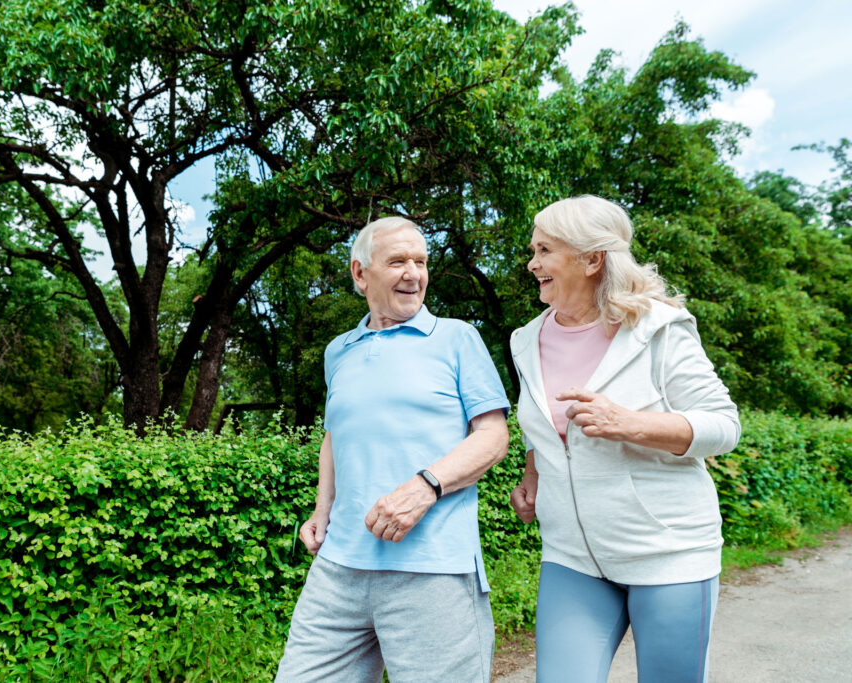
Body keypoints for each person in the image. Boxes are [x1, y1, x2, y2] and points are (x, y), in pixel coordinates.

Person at [508, 195, 740, 683]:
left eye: (545, 250)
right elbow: (544, 425)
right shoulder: (525, 339)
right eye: (533, 250)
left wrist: (630, 423)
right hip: (571, 556)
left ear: (592, 260)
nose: (532, 263)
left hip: (668, 552)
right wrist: (532, 474)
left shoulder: (657, 327)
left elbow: (723, 425)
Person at [275, 216, 511, 682]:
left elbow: (492, 436)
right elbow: (334, 436)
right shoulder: (338, 351)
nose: (414, 273)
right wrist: (323, 508)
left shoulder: (456, 338)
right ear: (360, 273)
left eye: (421, 262)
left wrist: (424, 488)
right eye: (398, 261)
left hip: (432, 570)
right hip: (339, 568)